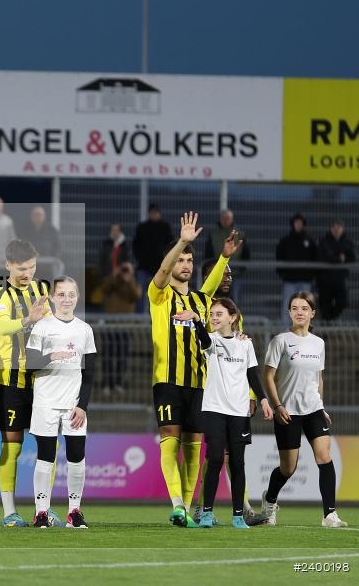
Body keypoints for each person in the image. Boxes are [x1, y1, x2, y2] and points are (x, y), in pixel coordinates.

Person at [147, 212, 240, 528]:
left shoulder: (201, 301)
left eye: (189, 259)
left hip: (201, 385)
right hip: (168, 381)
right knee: (169, 439)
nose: (185, 264)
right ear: (171, 263)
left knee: (193, 453)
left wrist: (224, 258)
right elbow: (161, 271)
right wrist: (183, 240)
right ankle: (176, 504)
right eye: (180, 259)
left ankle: (186, 509)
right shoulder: (159, 296)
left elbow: (213, 282)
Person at [260, 292, 348, 528]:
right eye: (295, 308)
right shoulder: (280, 341)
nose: (299, 312)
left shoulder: (319, 343)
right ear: (289, 312)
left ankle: (329, 515)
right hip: (287, 411)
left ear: (312, 313)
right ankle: (269, 502)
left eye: (304, 308)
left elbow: (319, 377)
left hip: (313, 409)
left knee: (324, 456)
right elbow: (268, 376)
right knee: (288, 468)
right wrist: (277, 405)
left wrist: (321, 404)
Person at [186, 298, 273, 529]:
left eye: (219, 314)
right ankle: (206, 514)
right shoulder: (211, 340)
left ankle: (237, 517)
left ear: (232, 318)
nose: (214, 318)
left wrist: (263, 399)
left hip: (239, 412)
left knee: (237, 463)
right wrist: (197, 321)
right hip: (214, 409)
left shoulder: (245, 344)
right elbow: (204, 339)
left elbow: (252, 375)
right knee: (214, 459)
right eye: (212, 314)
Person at [25, 277, 96, 529]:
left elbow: (89, 374)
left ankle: (74, 512)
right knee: (45, 457)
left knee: (77, 457)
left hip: (73, 405)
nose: (67, 299)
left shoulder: (84, 330)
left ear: (77, 297)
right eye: (62, 294)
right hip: (45, 402)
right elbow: (29, 364)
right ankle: (41, 512)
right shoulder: (42, 327)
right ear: (53, 298)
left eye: (72, 294)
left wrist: (82, 406)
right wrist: (52, 355)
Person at [0, 240, 50, 528]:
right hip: (9, 379)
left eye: (32, 267)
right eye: (23, 268)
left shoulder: (41, 291)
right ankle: (9, 512)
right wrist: (29, 319)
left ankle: (43, 510)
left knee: (46, 444)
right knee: (12, 445)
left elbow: (50, 326)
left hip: (41, 379)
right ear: (8, 265)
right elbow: (1, 327)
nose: (28, 273)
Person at [100, 261, 141, 394]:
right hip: (110, 325)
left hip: (124, 325)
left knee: (122, 356)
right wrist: (114, 275)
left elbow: (136, 296)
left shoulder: (133, 283)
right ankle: (107, 383)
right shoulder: (112, 281)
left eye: (126, 270)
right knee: (108, 355)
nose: (123, 273)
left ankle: (118, 383)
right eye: (122, 270)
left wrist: (129, 279)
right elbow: (104, 290)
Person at [275, 213, 317, 323]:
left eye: (300, 223)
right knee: (288, 306)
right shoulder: (285, 241)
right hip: (289, 281)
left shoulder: (310, 241)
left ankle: (303, 331)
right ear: (292, 224)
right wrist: (282, 274)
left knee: (305, 306)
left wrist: (311, 275)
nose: (298, 225)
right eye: (296, 223)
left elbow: (315, 258)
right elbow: (279, 257)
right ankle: (286, 331)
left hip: (305, 281)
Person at [132, 204, 174, 313]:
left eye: (156, 212)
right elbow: (135, 245)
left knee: (159, 294)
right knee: (140, 294)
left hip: (160, 268)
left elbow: (171, 246)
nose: (154, 214)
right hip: (144, 267)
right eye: (152, 212)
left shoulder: (165, 227)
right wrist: (140, 258)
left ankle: (158, 316)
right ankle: (140, 318)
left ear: (159, 213)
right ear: (149, 213)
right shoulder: (142, 227)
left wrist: (166, 261)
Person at [204, 210, 250, 305]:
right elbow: (208, 253)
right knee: (216, 298)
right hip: (217, 273)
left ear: (232, 219)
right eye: (223, 218)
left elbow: (246, 253)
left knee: (234, 301)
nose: (225, 221)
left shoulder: (239, 234)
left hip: (236, 273)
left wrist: (241, 268)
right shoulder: (214, 234)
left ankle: (234, 318)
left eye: (228, 218)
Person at [317, 220, 355, 321]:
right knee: (325, 305)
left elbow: (352, 258)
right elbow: (323, 256)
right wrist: (339, 258)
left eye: (339, 227)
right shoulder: (324, 240)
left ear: (343, 229)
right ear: (331, 229)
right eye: (334, 227)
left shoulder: (347, 242)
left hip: (340, 279)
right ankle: (325, 332)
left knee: (342, 303)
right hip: (325, 279)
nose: (337, 230)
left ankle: (329, 321)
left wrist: (339, 257)